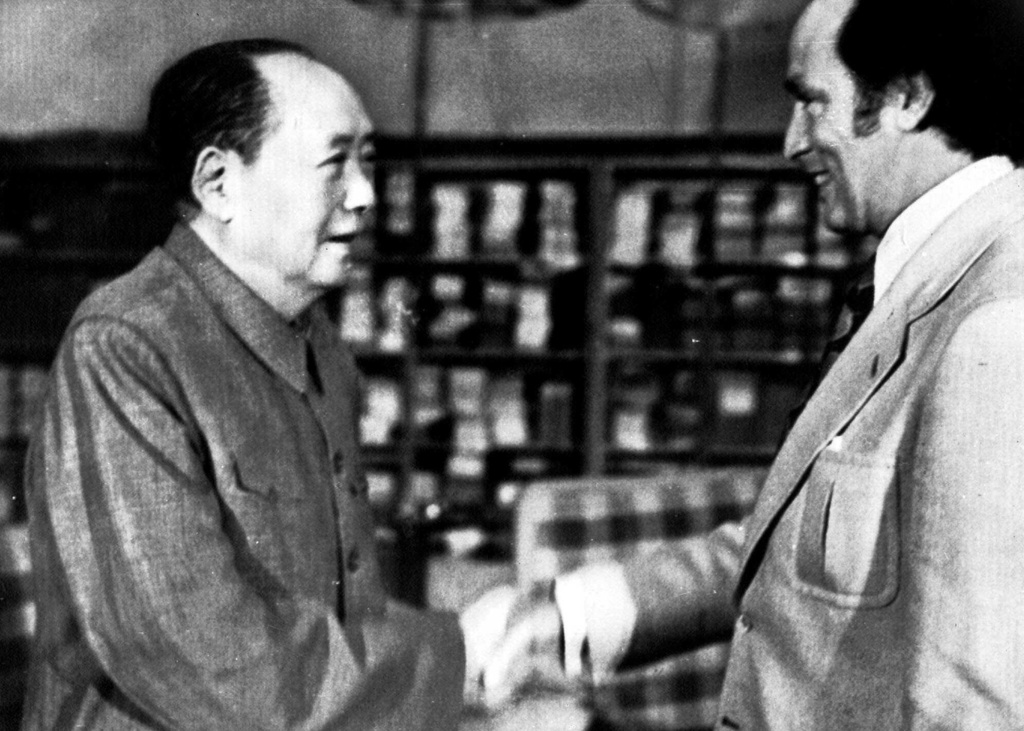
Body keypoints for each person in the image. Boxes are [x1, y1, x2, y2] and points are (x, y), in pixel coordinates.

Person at [477, 0, 1024, 727]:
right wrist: (565, 611)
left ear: (907, 97)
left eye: (811, 102)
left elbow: (978, 700)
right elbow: (802, 545)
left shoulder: (997, 319)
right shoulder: (922, 280)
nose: (791, 143)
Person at [20, 39, 478, 730]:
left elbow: (348, 602)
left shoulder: (318, 341)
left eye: (368, 160)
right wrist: (458, 657)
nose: (366, 194)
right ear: (219, 184)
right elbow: (209, 657)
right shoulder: (124, 345)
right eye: (334, 163)